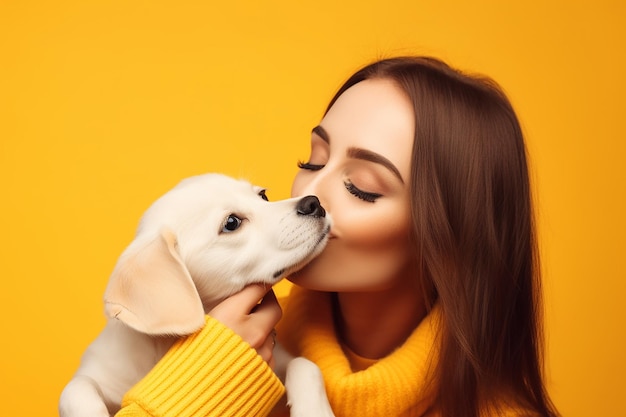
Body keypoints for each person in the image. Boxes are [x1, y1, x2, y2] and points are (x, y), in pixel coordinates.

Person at [115, 56, 559, 417]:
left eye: (361, 186)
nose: (309, 194)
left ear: (452, 239)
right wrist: (207, 375)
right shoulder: (218, 340)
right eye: (312, 160)